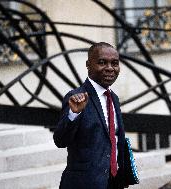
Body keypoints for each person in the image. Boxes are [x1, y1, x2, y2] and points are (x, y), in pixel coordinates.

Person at [53, 42, 126, 189]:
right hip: (84, 184)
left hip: (112, 182)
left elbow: (116, 139)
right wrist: (74, 114)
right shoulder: (75, 98)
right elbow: (60, 141)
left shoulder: (114, 99)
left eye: (115, 63)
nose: (110, 68)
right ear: (88, 64)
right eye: (102, 62)